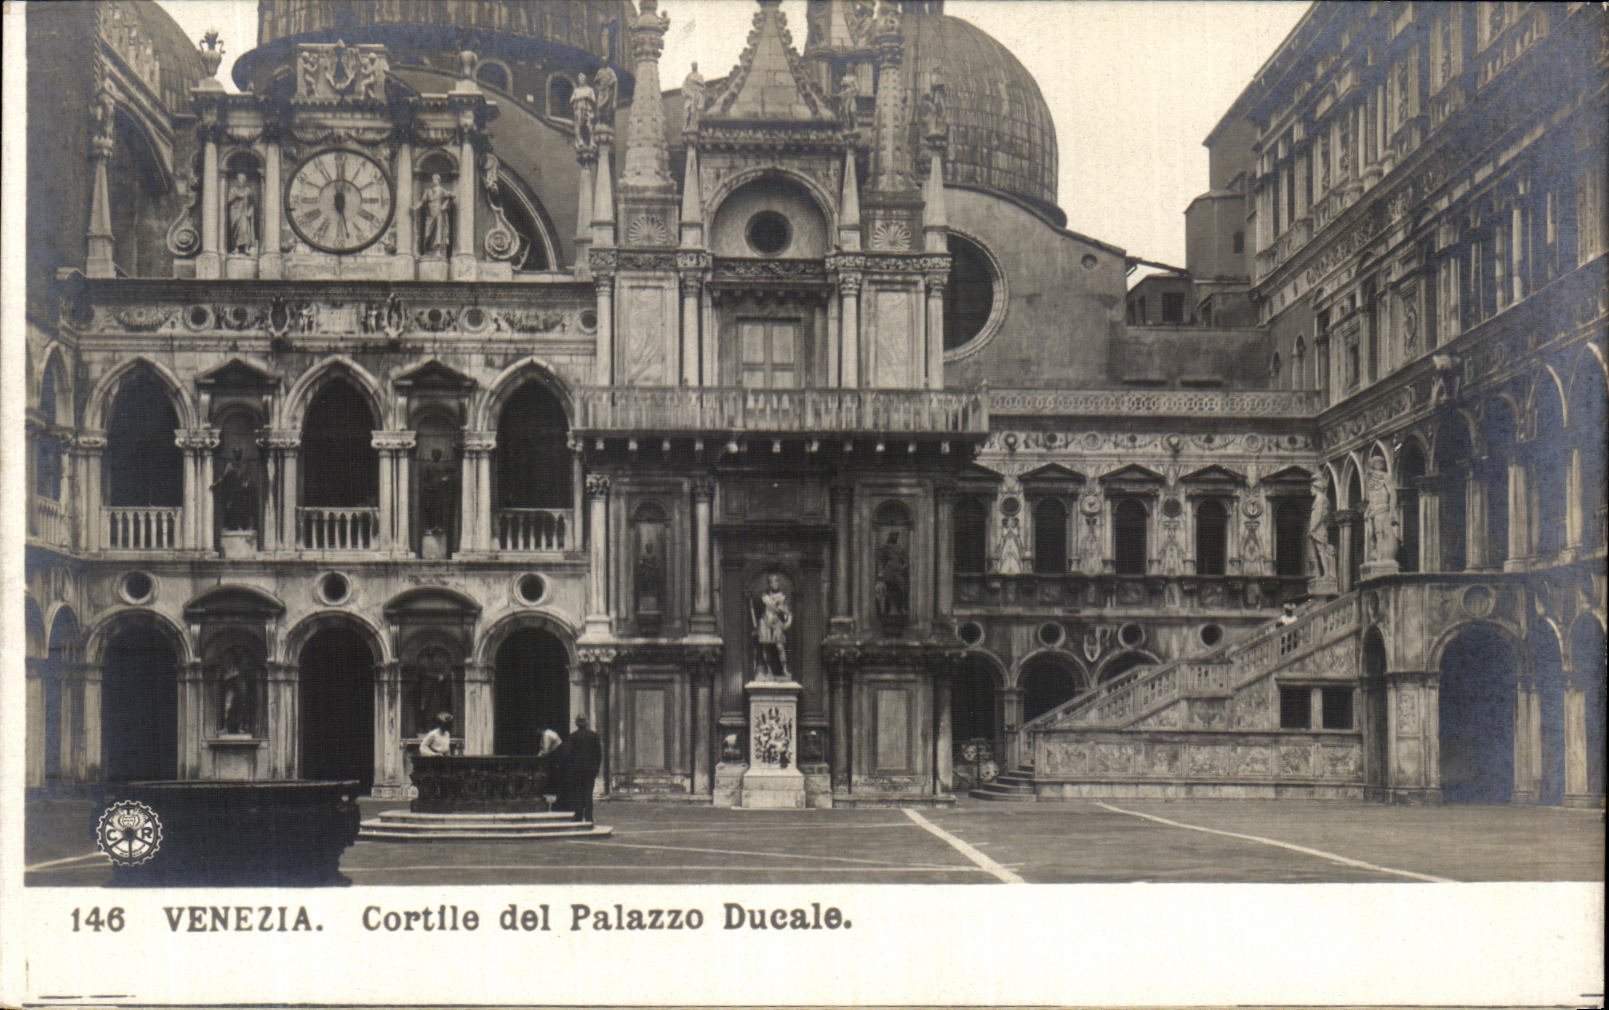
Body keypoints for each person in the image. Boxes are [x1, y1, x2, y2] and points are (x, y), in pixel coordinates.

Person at [752, 573, 793, 680]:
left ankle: (784, 669)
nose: (774, 583)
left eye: (776, 581)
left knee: (780, 647)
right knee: (766, 648)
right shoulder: (764, 596)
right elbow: (767, 606)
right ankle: (768, 670)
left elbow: (787, 612)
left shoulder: (783, 597)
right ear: (769, 583)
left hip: (777, 623)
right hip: (765, 622)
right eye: (772, 581)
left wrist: (788, 621)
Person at [562, 715, 603, 823]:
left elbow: (568, 754)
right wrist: (596, 767)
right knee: (588, 793)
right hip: (590, 769)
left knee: (578, 792)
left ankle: (578, 815)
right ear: (587, 722)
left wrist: (570, 768)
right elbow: (598, 754)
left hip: (577, 770)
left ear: (576, 723)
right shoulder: (594, 735)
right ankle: (588, 816)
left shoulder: (573, 736)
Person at [415, 173, 454, 256]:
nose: (434, 181)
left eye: (435, 179)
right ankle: (426, 250)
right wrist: (415, 207)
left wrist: (445, 204)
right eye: (433, 179)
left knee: (439, 230)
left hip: (439, 211)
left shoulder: (441, 190)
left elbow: (451, 196)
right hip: (430, 212)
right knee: (428, 231)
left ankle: (438, 251)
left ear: (438, 180)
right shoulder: (428, 191)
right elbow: (423, 201)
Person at [226, 173, 256, 254]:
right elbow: (228, 200)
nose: (240, 181)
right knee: (234, 229)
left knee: (244, 229)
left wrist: (250, 210)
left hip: (244, 212)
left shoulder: (248, 191)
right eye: (239, 180)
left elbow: (253, 203)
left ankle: (246, 248)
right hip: (234, 212)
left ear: (245, 181)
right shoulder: (233, 190)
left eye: (242, 180)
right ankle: (235, 247)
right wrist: (236, 196)